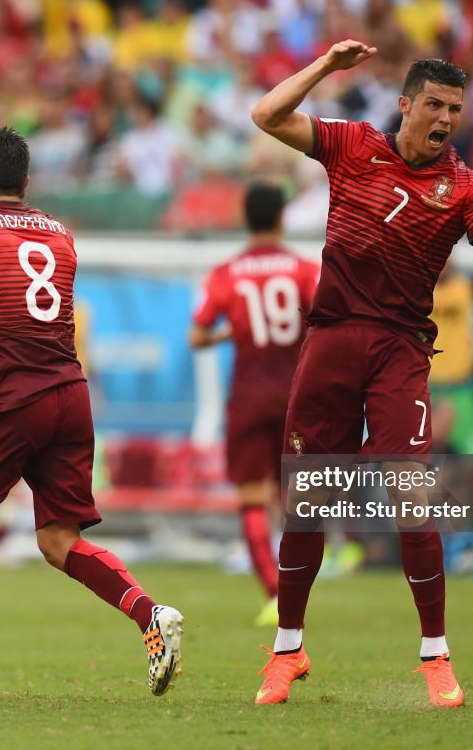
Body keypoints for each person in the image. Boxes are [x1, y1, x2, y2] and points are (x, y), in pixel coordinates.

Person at [249, 43, 473, 707]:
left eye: (455, 110)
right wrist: (323, 66)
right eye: (434, 104)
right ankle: (287, 649)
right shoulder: (351, 146)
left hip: (401, 349)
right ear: (405, 104)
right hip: (331, 342)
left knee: (412, 497)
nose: (444, 119)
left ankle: (435, 655)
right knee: (307, 502)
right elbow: (265, 114)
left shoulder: (464, 186)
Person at [0, 126, 184, 699]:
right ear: (26, 182)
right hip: (70, 395)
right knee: (58, 540)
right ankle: (151, 616)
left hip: (11, 398)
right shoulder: (61, 234)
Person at [190, 181, 317, 626]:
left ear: (246, 220)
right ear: (282, 219)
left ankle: (273, 592)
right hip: (295, 393)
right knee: (296, 497)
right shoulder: (303, 270)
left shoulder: (227, 273)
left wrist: (233, 332)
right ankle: (299, 591)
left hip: (247, 394)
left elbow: (197, 334)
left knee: (250, 495)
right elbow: (324, 319)